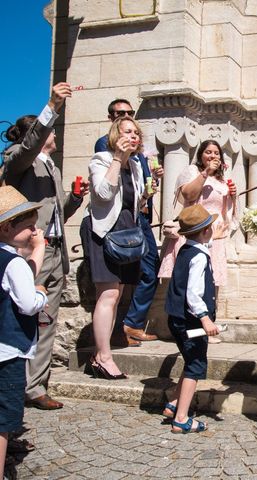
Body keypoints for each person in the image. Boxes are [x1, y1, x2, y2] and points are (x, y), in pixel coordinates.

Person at [2, 82, 88, 410]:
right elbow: (29, 146)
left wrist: (75, 199)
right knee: (22, 317)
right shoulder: (18, 158)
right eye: (49, 130)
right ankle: (15, 384)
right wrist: (52, 106)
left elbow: (55, 212)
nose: (54, 134)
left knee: (47, 321)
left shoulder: (52, 165)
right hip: (29, 253)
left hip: (54, 250)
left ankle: (35, 387)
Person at [81, 117, 151, 379]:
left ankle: (101, 354)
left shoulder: (134, 164)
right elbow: (102, 194)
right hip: (104, 229)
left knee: (117, 294)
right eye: (127, 132)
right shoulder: (102, 159)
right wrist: (117, 158)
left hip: (126, 230)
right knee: (107, 294)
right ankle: (104, 357)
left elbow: (134, 202)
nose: (133, 136)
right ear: (115, 134)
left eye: (136, 133)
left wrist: (146, 193)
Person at [95, 98, 163, 347]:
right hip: (117, 223)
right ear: (111, 118)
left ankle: (129, 325)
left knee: (142, 274)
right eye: (119, 114)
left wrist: (151, 183)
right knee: (116, 287)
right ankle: (118, 334)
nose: (125, 116)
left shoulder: (137, 158)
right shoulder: (105, 148)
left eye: (130, 114)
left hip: (138, 216)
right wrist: (118, 156)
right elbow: (104, 192)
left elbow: (138, 190)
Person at [158, 140, 236, 344]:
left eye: (216, 153)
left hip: (215, 232)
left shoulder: (221, 180)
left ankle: (209, 324)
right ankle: (185, 324)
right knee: (191, 278)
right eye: (208, 152)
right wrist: (205, 174)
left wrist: (233, 197)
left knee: (212, 281)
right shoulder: (192, 171)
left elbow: (224, 210)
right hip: (196, 230)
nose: (213, 156)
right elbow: (188, 195)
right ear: (201, 155)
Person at [0, 186, 48, 479]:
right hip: (10, 348)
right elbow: (28, 304)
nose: (34, 231)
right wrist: (40, 292)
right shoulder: (15, 262)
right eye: (28, 225)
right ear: (7, 227)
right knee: (4, 419)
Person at [164, 204, 220, 433]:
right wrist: (205, 318)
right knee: (196, 366)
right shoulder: (199, 257)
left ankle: (173, 404)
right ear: (206, 231)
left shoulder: (186, 250)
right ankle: (182, 418)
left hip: (176, 318)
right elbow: (193, 292)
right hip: (192, 322)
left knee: (190, 362)